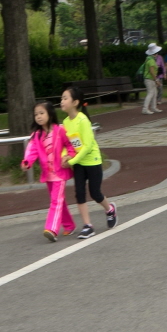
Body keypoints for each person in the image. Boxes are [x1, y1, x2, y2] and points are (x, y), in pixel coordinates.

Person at [60, 86, 117, 239]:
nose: (62, 101)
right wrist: (65, 156)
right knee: (79, 193)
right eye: (61, 98)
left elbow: (87, 146)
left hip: (92, 161)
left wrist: (72, 160)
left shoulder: (83, 120)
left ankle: (110, 209)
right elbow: (67, 144)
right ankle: (87, 226)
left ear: (75, 102)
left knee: (95, 193)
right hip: (78, 163)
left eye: (65, 98)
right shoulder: (65, 122)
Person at [21, 102, 76, 242]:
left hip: (60, 172)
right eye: (36, 114)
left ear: (50, 114)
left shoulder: (60, 130)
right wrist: (27, 162)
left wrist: (69, 156)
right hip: (48, 174)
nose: (38, 117)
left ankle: (51, 229)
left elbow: (71, 145)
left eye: (41, 113)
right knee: (59, 201)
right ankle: (69, 225)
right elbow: (31, 151)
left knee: (56, 201)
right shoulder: (36, 135)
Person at [141, 42, 161, 114]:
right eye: (156, 53)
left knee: (154, 93)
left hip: (150, 79)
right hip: (150, 79)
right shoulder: (151, 60)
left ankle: (153, 107)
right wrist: (156, 80)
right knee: (150, 93)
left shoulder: (148, 59)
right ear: (154, 53)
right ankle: (145, 109)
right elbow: (152, 71)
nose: (157, 54)